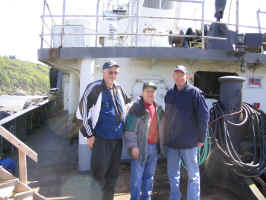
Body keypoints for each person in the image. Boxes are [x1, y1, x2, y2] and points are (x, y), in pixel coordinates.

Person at [77, 61, 130, 200]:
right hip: (101, 140)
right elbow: (80, 114)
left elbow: (127, 106)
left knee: (112, 177)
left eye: (116, 72)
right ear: (103, 72)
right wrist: (89, 136)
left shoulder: (119, 88)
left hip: (117, 140)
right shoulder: (94, 88)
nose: (113, 75)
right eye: (110, 72)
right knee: (98, 177)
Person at [164, 65, 209, 200]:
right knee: (173, 174)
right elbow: (167, 117)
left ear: (187, 77)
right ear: (173, 76)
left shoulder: (195, 93)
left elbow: (203, 117)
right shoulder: (169, 94)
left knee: (193, 176)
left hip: (189, 143)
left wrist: (201, 138)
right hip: (172, 144)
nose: (178, 77)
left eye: (181, 74)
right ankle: (174, 197)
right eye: (176, 74)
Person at [124, 82, 164, 200]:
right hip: (140, 148)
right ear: (142, 93)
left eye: (152, 91)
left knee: (149, 178)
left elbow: (163, 127)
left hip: (154, 149)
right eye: (148, 91)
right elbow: (129, 130)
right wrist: (133, 146)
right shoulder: (136, 108)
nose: (150, 94)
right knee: (136, 179)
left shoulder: (159, 109)